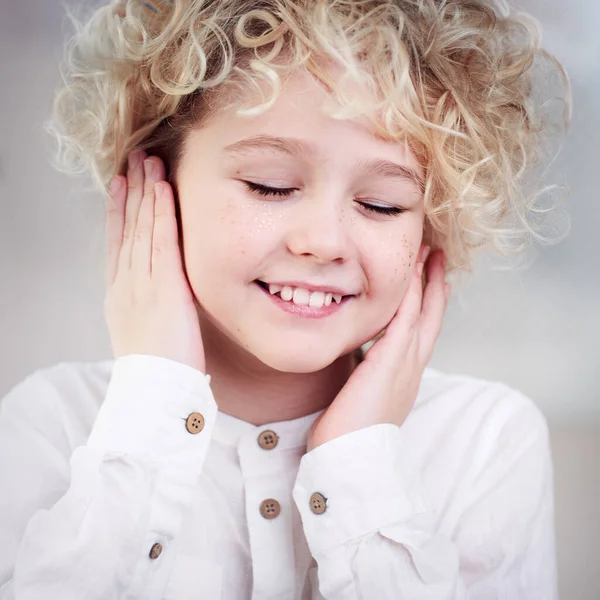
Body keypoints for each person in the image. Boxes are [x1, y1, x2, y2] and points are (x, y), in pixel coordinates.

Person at [0, 0, 570, 598]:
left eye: (381, 204)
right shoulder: (48, 426)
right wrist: (153, 399)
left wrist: (358, 460)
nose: (323, 242)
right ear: (157, 182)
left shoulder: (484, 441)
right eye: (270, 185)